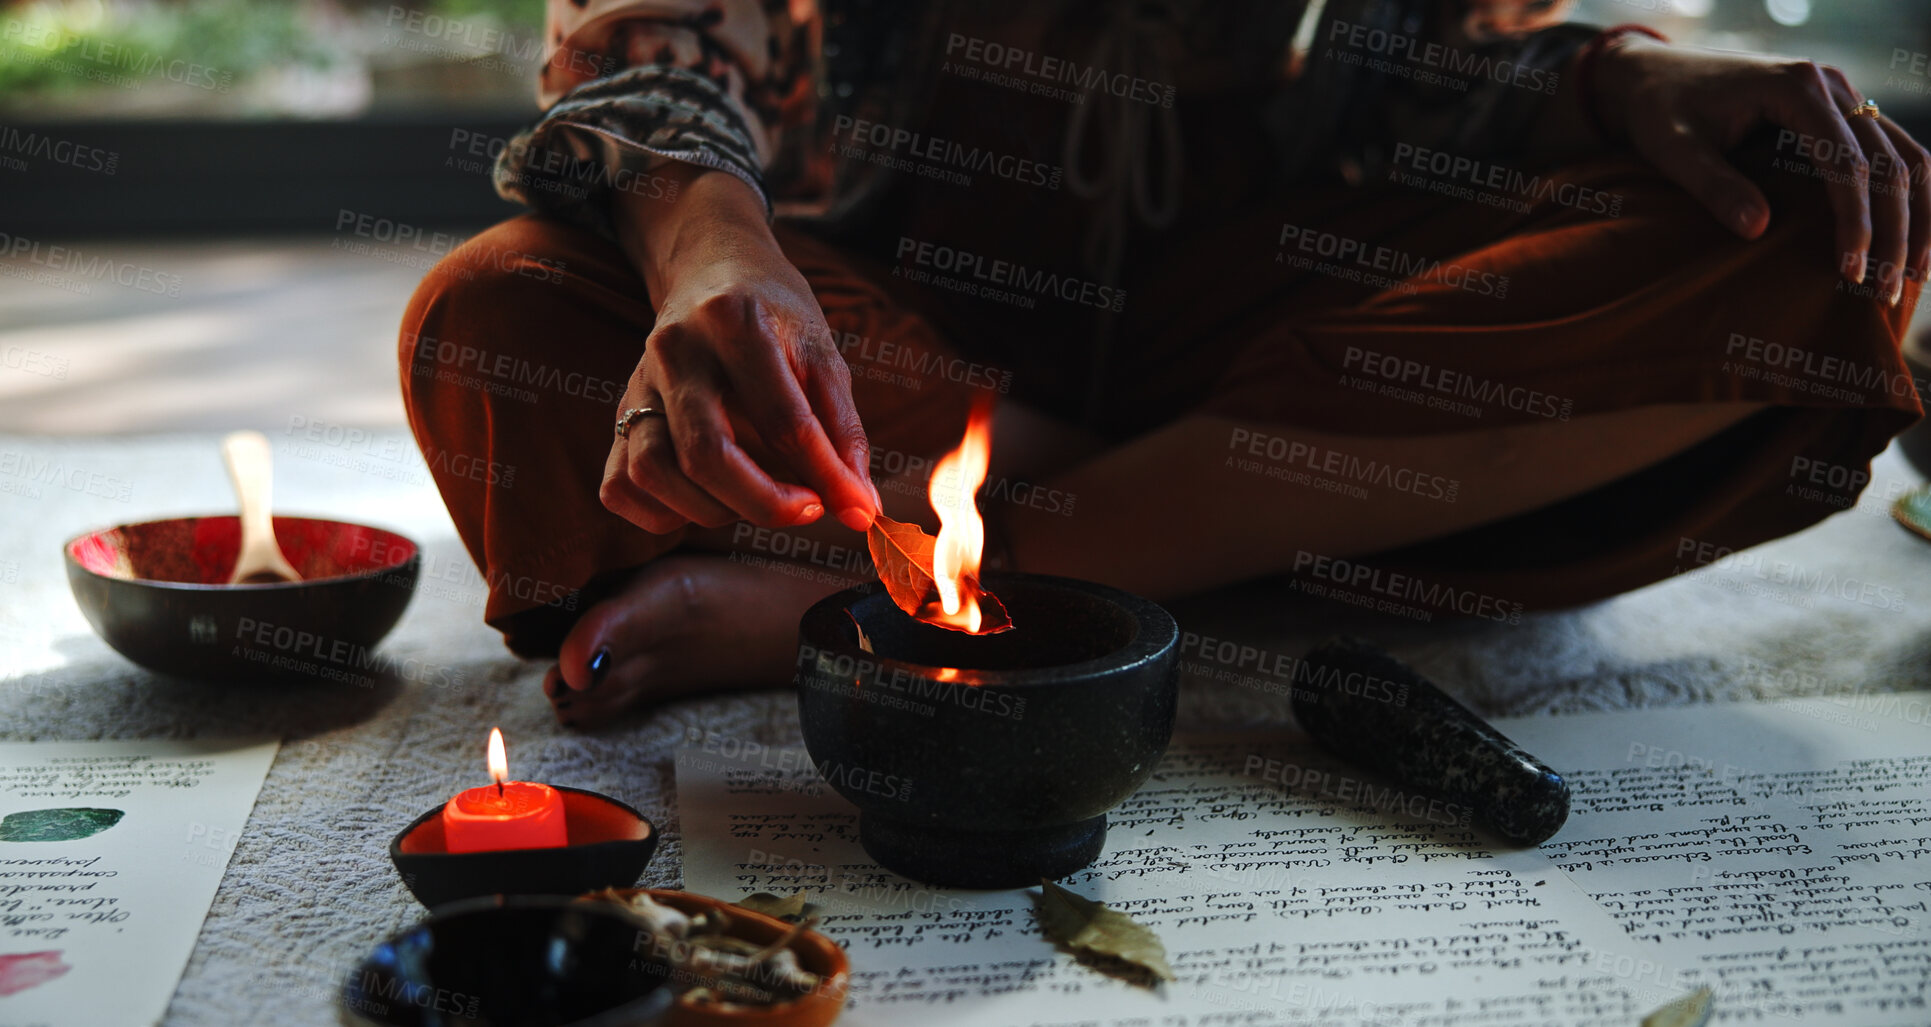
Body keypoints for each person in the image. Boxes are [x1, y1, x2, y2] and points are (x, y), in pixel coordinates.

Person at [400, 0, 1927, 727]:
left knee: (1791, 231)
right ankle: (1207, 535)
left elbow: (1454, 50)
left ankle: (876, 590)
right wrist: (713, 250)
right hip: (889, 353)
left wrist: (1623, 74)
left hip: (1253, 329)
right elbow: (651, 55)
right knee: (503, 314)